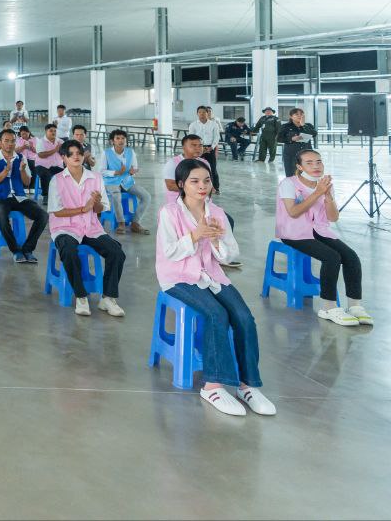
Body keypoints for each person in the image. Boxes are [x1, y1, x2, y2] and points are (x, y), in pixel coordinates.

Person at [157, 159, 275, 417]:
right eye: (194, 181)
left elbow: (230, 254)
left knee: (244, 317)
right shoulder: (169, 213)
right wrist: (195, 235)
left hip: (211, 274)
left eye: (206, 181)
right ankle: (212, 385)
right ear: (181, 184)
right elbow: (169, 252)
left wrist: (217, 240)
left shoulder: (218, 213)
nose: (202, 186)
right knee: (216, 314)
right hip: (177, 276)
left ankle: (248, 385)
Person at [276, 150, 372, 326]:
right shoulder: (288, 184)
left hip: (318, 230)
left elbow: (333, 217)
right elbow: (293, 212)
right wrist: (318, 193)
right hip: (293, 232)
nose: (316, 166)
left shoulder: (325, 185)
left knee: (351, 257)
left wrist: (327, 196)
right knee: (331, 257)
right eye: (309, 163)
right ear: (299, 167)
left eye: (318, 162)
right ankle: (328, 307)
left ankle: (354, 306)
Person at [49, 141, 126, 318]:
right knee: (69, 251)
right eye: (71, 154)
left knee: (116, 252)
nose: (76, 156)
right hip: (65, 228)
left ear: (84, 155)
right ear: (64, 158)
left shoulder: (95, 178)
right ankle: (81, 296)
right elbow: (57, 211)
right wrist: (84, 208)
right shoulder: (57, 180)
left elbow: (100, 208)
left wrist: (96, 202)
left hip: (90, 227)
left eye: (79, 153)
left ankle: (108, 298)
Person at [0, 129, 48, 263]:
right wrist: (6, 170)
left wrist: (22, 170)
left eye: (13, 141)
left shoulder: (21, 158)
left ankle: (27, 249)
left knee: (43, 215)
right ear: (0, 142)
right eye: (6, 141)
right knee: (2, 217)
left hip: (19, 197)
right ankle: (16, 250)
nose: (10, 144)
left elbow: (27, 182)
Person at [102, 130, 151, 236]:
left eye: (123, 138)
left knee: (146, 196)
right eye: (117, 138)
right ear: (112, 141)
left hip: (126, 181)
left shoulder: (130, 152)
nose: (121, 140)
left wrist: (133, 171)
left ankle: (135, 222)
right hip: (111, 182)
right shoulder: (106, 153)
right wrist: (116, 172)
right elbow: (102, 171)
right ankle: (121, 223)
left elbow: (135, 167)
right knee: (116, 195)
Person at [188, 106, 223, 191]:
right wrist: (198, 148)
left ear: (208, 113)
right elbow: (191, 137)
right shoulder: (193, 125)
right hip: (197, 149)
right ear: (197, 114)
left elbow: (216, 137)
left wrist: (212, 147)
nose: (202, 114)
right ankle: (196, 187)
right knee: (195, 168)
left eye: (204, 112)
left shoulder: (213, 124)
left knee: (212, 168)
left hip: (210, 148)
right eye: (200, 112)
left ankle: (215, 188)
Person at [279, 107, 318, 176]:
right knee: (291, 175)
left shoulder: (308, 125)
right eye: (297, 114)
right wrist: (291, 139)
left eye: (301, 114)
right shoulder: (285, 126)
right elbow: (279, 138)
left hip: (306, 154)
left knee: (307, 175)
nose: (299, 116)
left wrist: (303, 125)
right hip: (291, 155)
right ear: (291, 116)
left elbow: (314, 134)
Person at [32, 123, 64, 203]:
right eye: (51, 131)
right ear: (46, 131)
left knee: (67, 173)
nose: (53, 132)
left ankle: (64, 195)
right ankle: (45, 195)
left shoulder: (60, 141)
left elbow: (65, 153)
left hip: (57, 165)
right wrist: (55, 150)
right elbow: (41, 155)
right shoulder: (41, 142)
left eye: (55, 131)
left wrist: (61, 150)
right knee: (45, 174)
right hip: (42, 165)